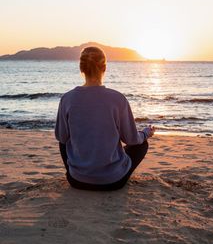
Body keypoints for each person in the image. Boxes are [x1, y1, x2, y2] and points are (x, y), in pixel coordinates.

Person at [55, 46, 155, 191]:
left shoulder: (67, 99)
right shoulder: (118, 99)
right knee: (142, 144)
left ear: (81, 68)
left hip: (77, 181)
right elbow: (131, 139)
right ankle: (108, 171)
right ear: (104, 68)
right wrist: (146, 133)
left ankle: (78, 171)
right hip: (113, 182)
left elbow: (61, 137)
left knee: (63, 142)